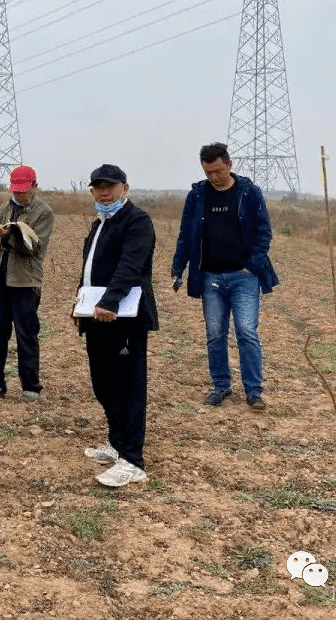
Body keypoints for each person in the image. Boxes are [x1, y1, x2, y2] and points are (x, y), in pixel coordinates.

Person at [170, 142, 278, 411]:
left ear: (228, 165)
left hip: (244, 277)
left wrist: (252, 266)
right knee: (215, 334)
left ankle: (253, 391)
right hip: (210, 277)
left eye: (218, 171)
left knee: (246, 332)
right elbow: (186, 234)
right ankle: (221, 386)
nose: (214, 177)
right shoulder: (197, 195)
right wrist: (178, 266)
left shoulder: (249, 193)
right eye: (208, 172)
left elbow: (264, 232)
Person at [76, 164, 158, 489]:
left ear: (125, 187)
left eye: (109, 186)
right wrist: (80, 306)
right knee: (103, 384)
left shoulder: (137, 221)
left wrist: (110, 302)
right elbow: (89, 271)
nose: (103, 192)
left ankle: (132, 459)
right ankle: (115, 441)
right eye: (97, 187)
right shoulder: (100, 223)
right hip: (96, 317)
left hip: (124, 318)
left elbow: (130, 265)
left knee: (128, 388)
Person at [0, 165, 54, 402]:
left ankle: (31, 387)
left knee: (26, 334)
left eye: (24, 190)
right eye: (16, 190)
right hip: (0, 280)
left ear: (34, 187)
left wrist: (10, 236)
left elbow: (33, 248)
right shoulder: (4, 207)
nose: (19, 194)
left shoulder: (44, 212)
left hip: (25, 282)